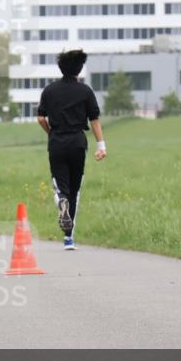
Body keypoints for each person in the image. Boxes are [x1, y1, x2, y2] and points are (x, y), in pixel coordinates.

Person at [36, 49, 107, 250]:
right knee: (75, 189)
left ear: (61, 68)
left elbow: (41, 118)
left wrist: (50, 132)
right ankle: (69, 238)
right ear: (80, 68)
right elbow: (94, 120)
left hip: (57, 141)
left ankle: (62, 201)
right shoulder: (85, 91)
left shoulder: (49, 91)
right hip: (77, 141)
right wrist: (101, 145)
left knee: (61, 185)